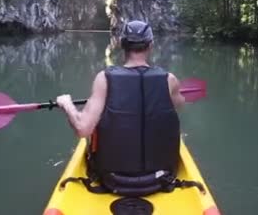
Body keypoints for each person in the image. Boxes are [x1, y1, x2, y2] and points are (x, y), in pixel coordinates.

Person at [56, 20, 186, 196]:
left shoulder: (105, 79)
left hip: (113, 179)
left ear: (121, 44)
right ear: (151, 45)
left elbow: (82, 129)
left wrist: (67, 104)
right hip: (161, 178)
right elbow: (180, 103)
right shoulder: (169, 80)